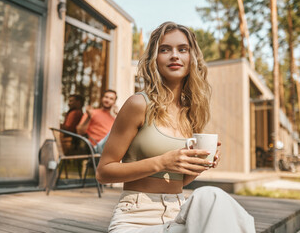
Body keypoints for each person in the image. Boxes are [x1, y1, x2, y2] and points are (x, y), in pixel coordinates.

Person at [96, 22, 255, 233]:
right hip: (136, 218)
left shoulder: (192, 112)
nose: (174, 55)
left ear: (192, 58)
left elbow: (179, 181)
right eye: (165, 49)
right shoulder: (138, 104)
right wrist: (162, 162)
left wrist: (196, 166)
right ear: (155, 58)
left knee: (212, 199)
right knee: (213, 201)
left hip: (177, 213)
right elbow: (104, 172)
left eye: (182, 49)